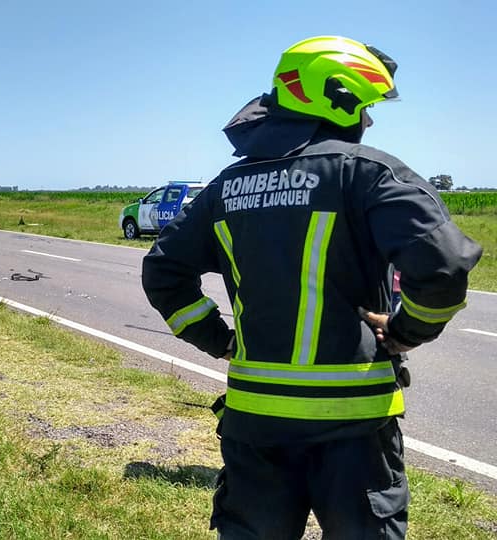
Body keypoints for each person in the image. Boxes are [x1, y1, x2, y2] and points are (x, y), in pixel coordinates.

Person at [141, 36, 481, 539]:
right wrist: (409, 330)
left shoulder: (226, 186)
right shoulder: (368, 173)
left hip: (254, 420)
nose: (368, 121)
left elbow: (164, 271)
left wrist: (219, 339)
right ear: (337, 101)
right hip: (355, 428)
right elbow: (444, 265)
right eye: (364, 107)